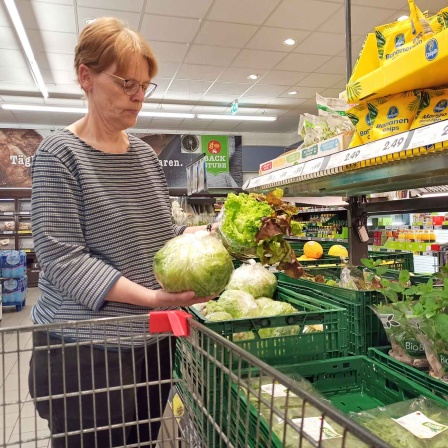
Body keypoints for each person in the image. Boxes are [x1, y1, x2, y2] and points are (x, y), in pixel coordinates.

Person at [28, 17, 215, 447]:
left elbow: (160, 239)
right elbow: (62, 260)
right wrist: (150, 298)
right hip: (82, 351)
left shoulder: (147, 159)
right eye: (126, 82)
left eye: (144, 85)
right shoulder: (60, 153)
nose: (138, 96)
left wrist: (193, 246)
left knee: (142, 439)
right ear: (85, 77)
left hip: (149, 343)